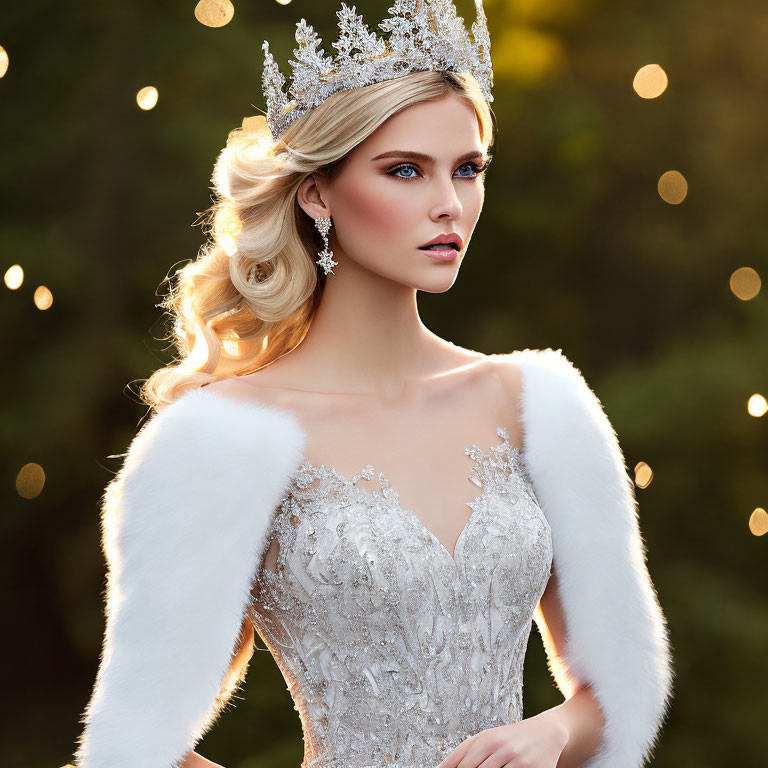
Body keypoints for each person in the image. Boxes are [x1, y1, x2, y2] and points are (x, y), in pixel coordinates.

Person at [71, 2, 673, 767]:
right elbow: (133, 745)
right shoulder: (217, 438)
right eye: (405, 170)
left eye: (468, 169)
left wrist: (549, 732)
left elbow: (623, 687)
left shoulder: (541, 404)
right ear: (317, 193)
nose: (449, 204)